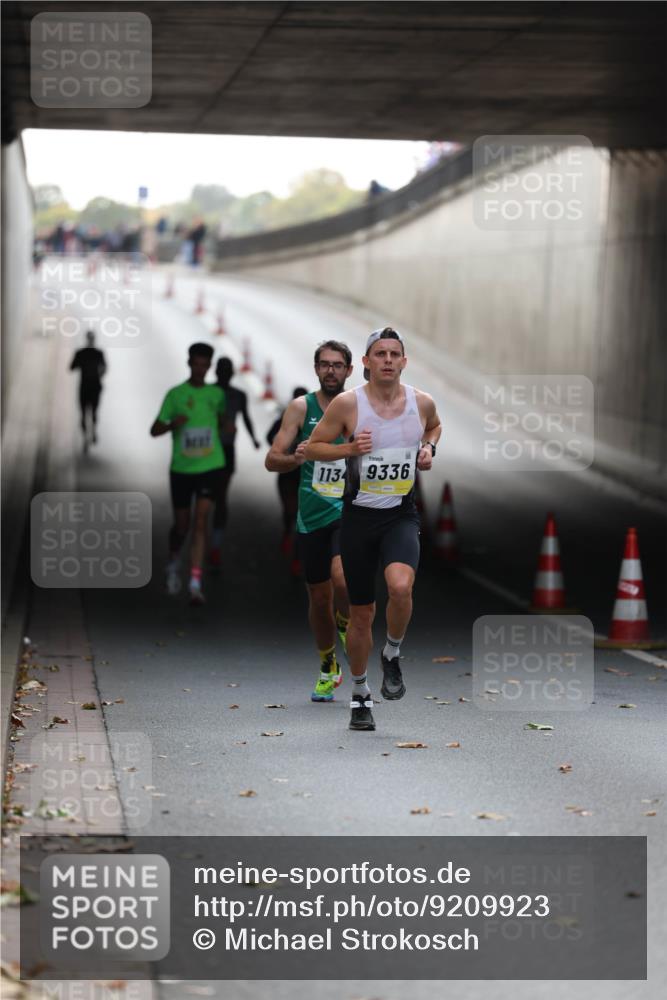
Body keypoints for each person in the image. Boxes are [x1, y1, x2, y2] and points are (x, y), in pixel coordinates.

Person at [305, 328, 442, 731]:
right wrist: (349, 449)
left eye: (394, 354)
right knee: (361, 614)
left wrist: (429, 449)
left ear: (403, 362)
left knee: (401, 587)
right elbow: (312, 448)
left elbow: (434, 427)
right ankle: (361, 695)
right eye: (379, 354)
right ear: (365, 363)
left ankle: (392, 654)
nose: (386, 360)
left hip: (400, 513)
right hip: (359, 518)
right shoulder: (349, 405)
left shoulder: (421, 402)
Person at [265, 342, 354, 702]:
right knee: (319, 599)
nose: (331, 371)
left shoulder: (363, 406)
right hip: (312, 514)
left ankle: (347, 624)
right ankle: (327, 664)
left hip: (350, 511)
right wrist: (296, 458)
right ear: (316, 369)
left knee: (341, 578)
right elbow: (272, 460)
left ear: (350, 370)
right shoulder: (301, 408)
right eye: (324, 365)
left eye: (337, 365)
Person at [150, 343, 226, 605]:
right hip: (182, 469)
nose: (200, 369)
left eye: (205, 364)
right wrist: (173, 424)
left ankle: (195, 582)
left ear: (209, 366)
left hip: (210, 466)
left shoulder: (216, 394)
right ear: (189, 363)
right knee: (182, 525)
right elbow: (154, 430)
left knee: (201, 522)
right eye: (196, 363)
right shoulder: (175, 395)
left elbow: (224, 420)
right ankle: (173, 561)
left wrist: (228, 427)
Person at [209, 357, 261, 566]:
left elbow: (246, 417)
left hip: (226, 450)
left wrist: (253, 438)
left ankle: (216, 542)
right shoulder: (207, 393)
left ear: (231, 374)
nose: (224, 374)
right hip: (207, 450)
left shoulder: (239, 395)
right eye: (221, 370)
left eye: (227, 371)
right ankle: (210, 537)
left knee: (220, 496)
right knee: (210, 497)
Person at [266, 386, 308, 570]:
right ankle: (286, 531)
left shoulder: (314, 421)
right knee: (289, 511)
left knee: (301, 515)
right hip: (286, 472)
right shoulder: (285, 418)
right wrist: (283, 446)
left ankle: (298, 557)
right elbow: (269, 437)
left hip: (305, 473)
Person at [69, 330, 107, 450]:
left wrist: (81, 364)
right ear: (94, 339)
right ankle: (93, 432)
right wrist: (99, 374)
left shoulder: (80, 353)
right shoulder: (99, 353)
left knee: (83, 413)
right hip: (95, 386)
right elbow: (104, 368)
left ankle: (86, 436)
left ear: (86, 339)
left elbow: (71, 367)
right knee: (94, 411)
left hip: (84, 387)